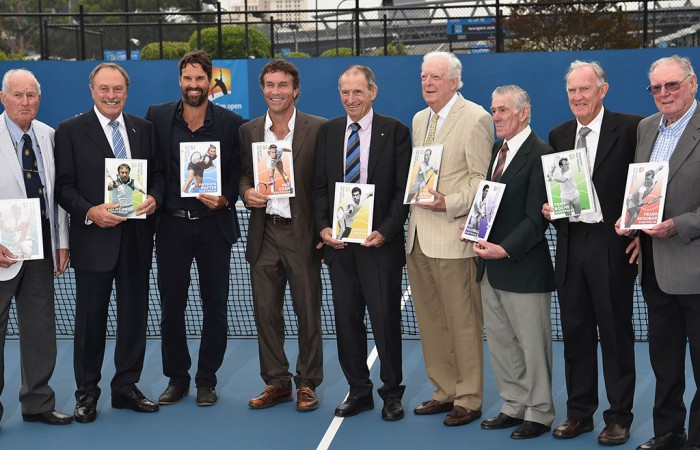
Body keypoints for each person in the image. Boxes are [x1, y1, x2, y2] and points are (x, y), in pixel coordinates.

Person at [54, 63, 164, 423]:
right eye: (104, 89)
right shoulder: (69, 131)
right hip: (93, 240)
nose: (111, 95)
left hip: (135, 240)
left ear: (126, 91)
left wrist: (154, 200)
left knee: (134, 318)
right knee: (90, 323)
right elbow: (63, 187)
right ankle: (86, 393)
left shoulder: (143, 129)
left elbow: (159, 176)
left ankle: (125, 388)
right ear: (92, 90)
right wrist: (90, 212)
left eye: (117, 89)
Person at [544, 60, 642, 446]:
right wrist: (550, 211)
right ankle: (580, 413)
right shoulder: (559, 134)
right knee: (576, 335)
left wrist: (642, 233)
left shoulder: (633, 128)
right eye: (572, 91)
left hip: (611, 249)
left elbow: (650, 182)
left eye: (584, 89)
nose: (577, 97)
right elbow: (557, 197)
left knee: (616, 336)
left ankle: (618, 417)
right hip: (570, 250)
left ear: (603, 90)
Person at [312, 65, 411, 421]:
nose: (350, 99)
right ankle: (359, 390)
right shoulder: (329, 132)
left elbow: (403, 191)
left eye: (357, 92)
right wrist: (323, 228)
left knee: (386, 322)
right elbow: (320, 188)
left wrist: (384, 230)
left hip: (379, 247)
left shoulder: (396, 131)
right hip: (340, 250)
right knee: (346, 321)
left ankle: (392, 393)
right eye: (344, 92)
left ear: (372, 92)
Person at [146, 49, 243, 407]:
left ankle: (206, 380)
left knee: (215, 306)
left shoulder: (231, 124)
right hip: (171, 227)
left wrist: (226, 198)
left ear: (210, 82)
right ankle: (177, 378)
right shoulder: (157, 117)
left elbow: (235, 173)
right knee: (172, 307)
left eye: (200, 78)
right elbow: (151, 167)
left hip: (214, 228)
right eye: (187, 78)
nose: (193, 85)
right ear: (180, 81)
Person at [616, 55, 700, 450]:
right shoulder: (646, 128)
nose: (664, 94)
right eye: (656, 88)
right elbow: (642, 190)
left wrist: (678, 226)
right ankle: (669, 432)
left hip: (695, 266)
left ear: (692, 83)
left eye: (672, 85)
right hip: (653, 269)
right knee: (664, 362)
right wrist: (631, 223)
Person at [406, 51, 493, 427]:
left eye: (436, 77)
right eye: (425, 76)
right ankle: (443, 390)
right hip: (418, 238)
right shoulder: (418, 119)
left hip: (453, 237)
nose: (428, 83)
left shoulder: (476, 118)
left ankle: (469, 397)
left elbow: (480, 180)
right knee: (430, 321)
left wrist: (450, 204)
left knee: (463, 322)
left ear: (455, 81)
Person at [239, 59, 325, 412]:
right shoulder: (248, 131)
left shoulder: (318, 129)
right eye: (270, 85)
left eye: (283, 85)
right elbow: (243, 174)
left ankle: (307, 383)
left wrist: (323, 226)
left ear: (295, 90)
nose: (276, 91)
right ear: (263, 89)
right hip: (265, 235)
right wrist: (246, 193)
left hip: (302, 235)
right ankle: (276, 382)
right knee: (265, 314)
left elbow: (324, 184)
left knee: (308, 312)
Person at [473, 85, 555, 439]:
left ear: (523, 113)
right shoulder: (496, 150)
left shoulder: (542, 154)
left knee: (532, 345)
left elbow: (537, 220)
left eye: (503, 110)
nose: (497, 117)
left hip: (522, 265)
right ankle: (513, 404)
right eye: (494, 110)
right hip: (489, 267)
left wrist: (504, 249)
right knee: (503, 342)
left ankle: (539, 411)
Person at [0, 68, 72, 427]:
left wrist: (62, 241)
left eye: (31, 95)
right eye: (17, 95)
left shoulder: (49, 136)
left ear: (39, 99)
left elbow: (56, 196)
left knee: (40, 327)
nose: (25, 102)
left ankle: (38, 403)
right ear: (3, 98)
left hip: (41, 243)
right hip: (3, 248)